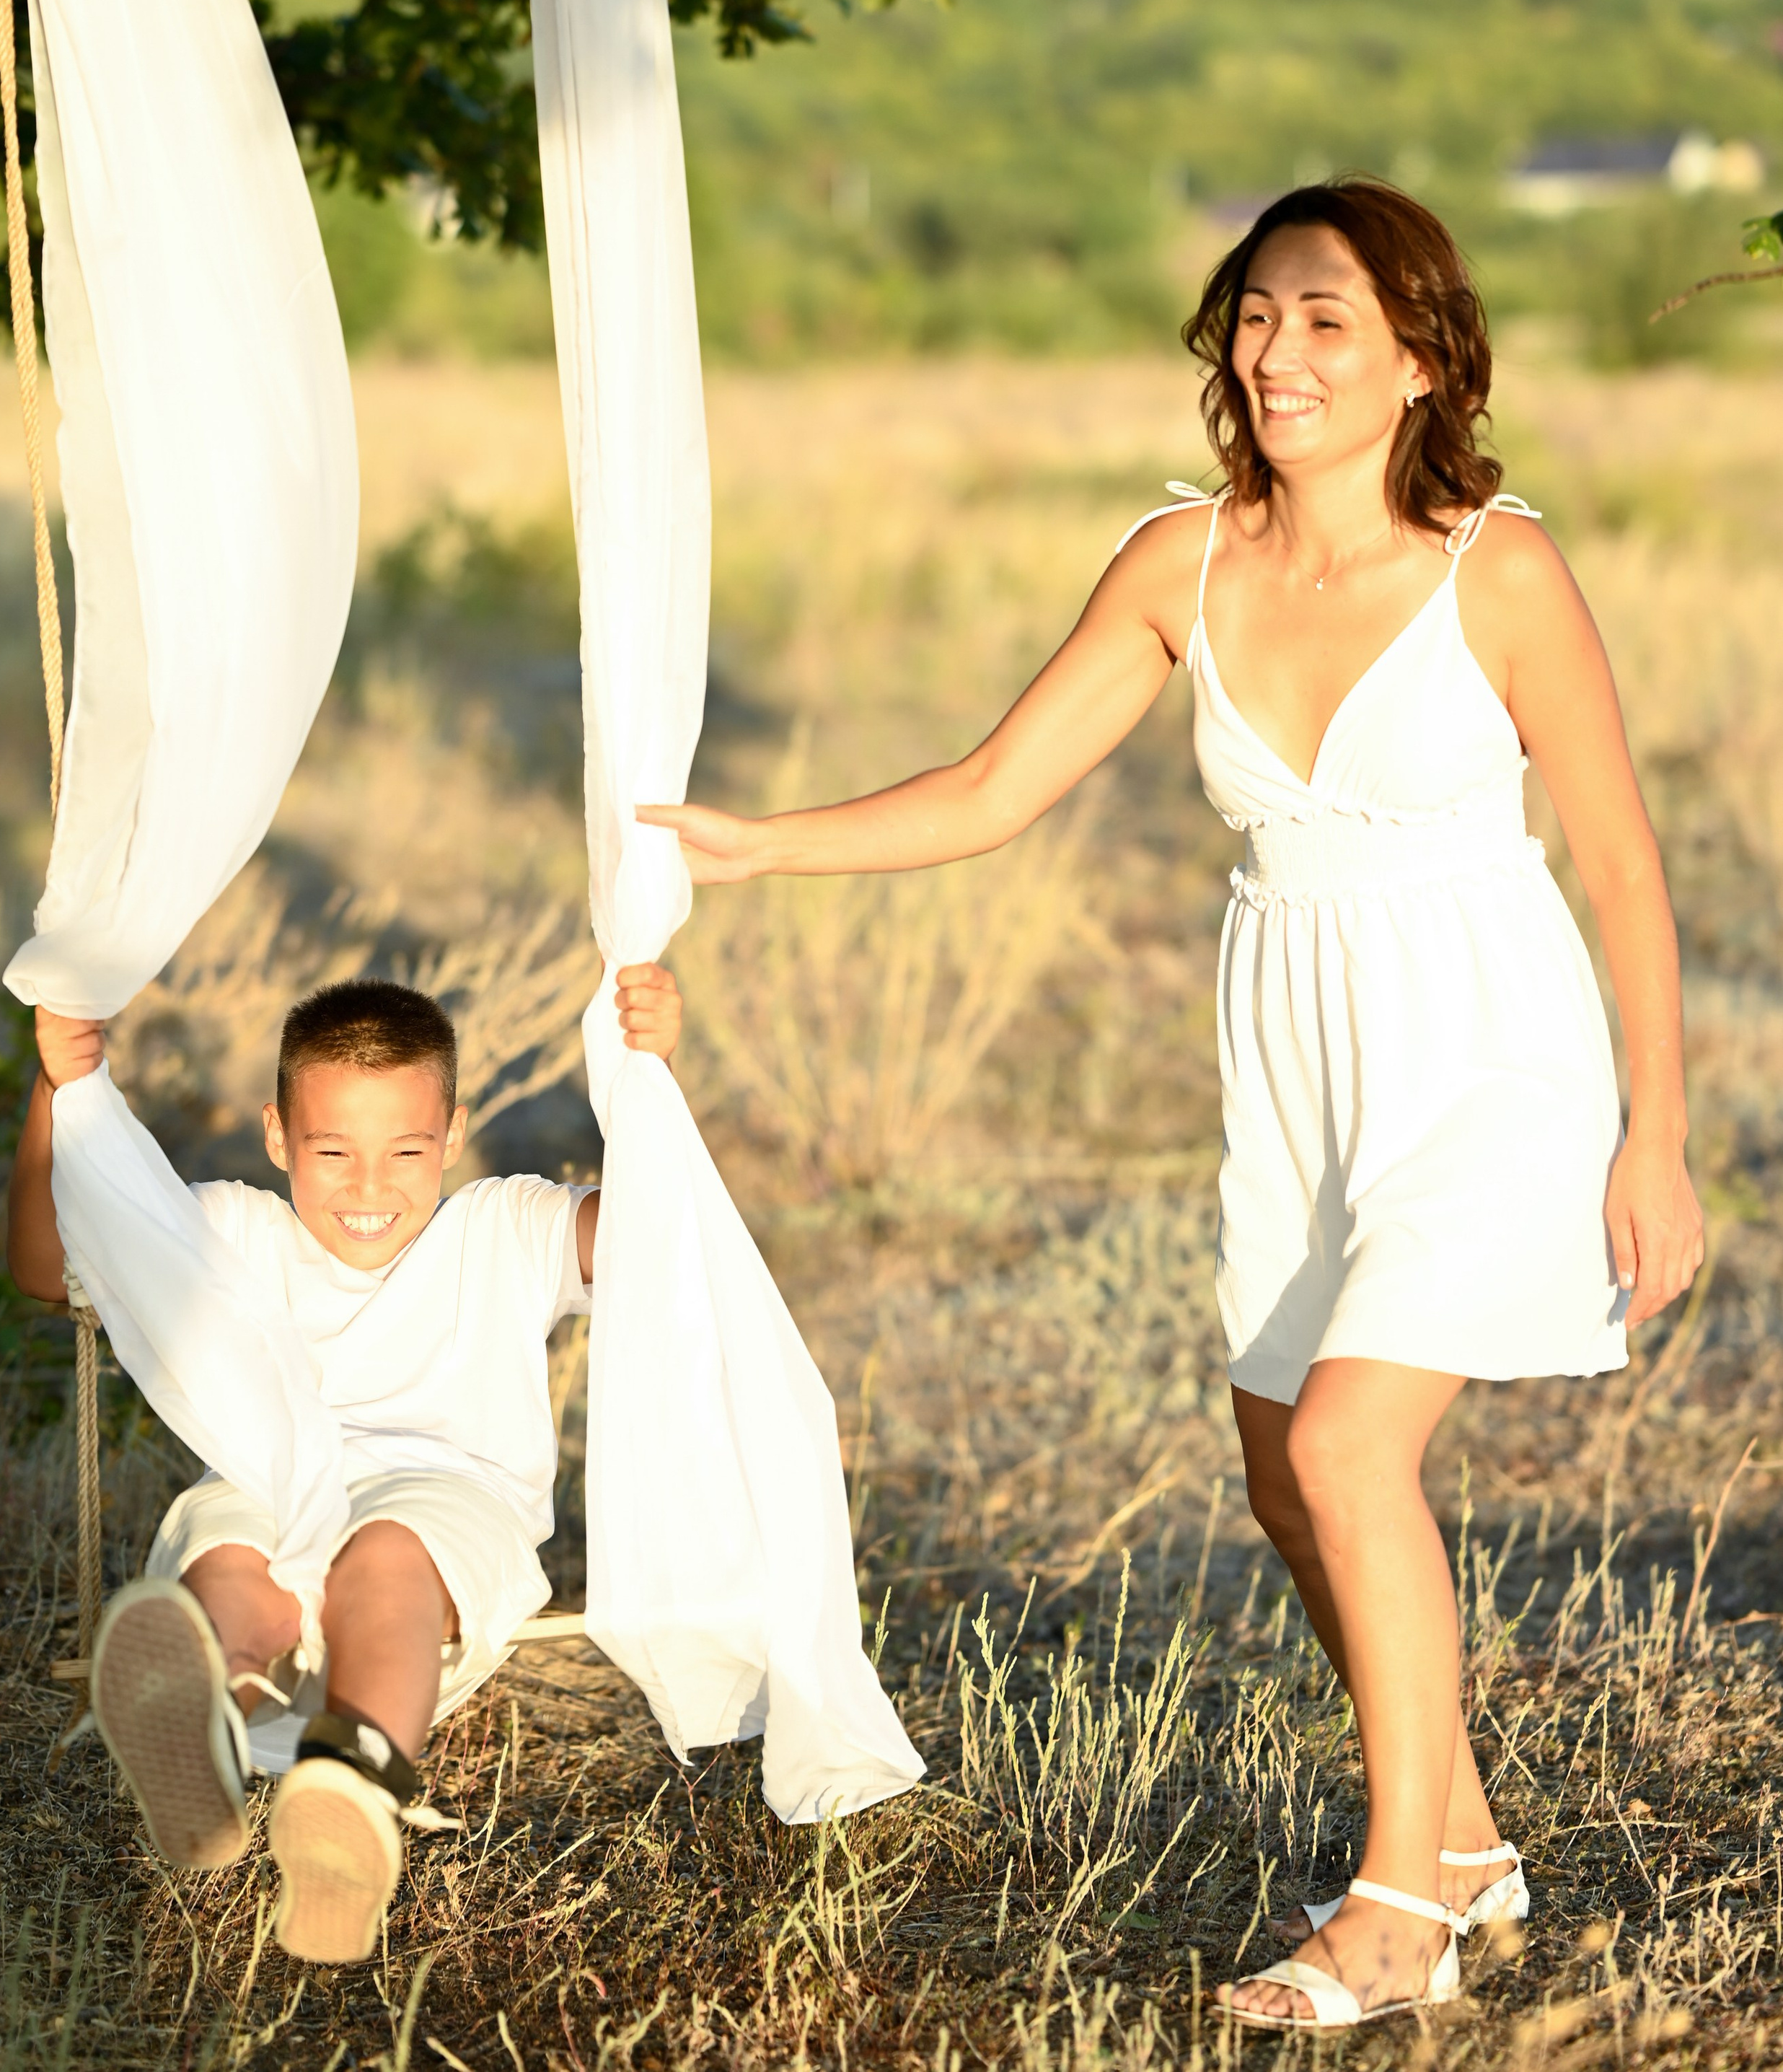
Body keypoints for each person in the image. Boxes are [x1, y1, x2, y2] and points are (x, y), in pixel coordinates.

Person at [638, 178, 1704, 2029]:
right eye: (1256, 314)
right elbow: (986, 789)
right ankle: (1456, 1841)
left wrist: (1659, 1137)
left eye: (1325, 324)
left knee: (1350, 1452)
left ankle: (1394, 1920)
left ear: (1417, 361)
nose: (1276, 353)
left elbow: (1616, 863)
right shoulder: (1176, 564)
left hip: (1487, 1053)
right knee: (1278, 1471)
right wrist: (747, 853)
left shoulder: (1496, 571)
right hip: (1295, 1065)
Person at [7, 961, 683, 1966]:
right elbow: (44, 1266)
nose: (370, 1187)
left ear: (453, 1134)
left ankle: (351, 1785)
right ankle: (211, 1730)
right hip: (269, 1477)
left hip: (449, 1502)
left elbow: (667, 1241)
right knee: (232, 1557)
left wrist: (652, 1080)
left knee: (388, 1553)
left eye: (407, 1149)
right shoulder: (230, 1229)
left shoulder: (507, 1226)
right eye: (332, 1150)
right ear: (278, 1135)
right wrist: (57, 1090)